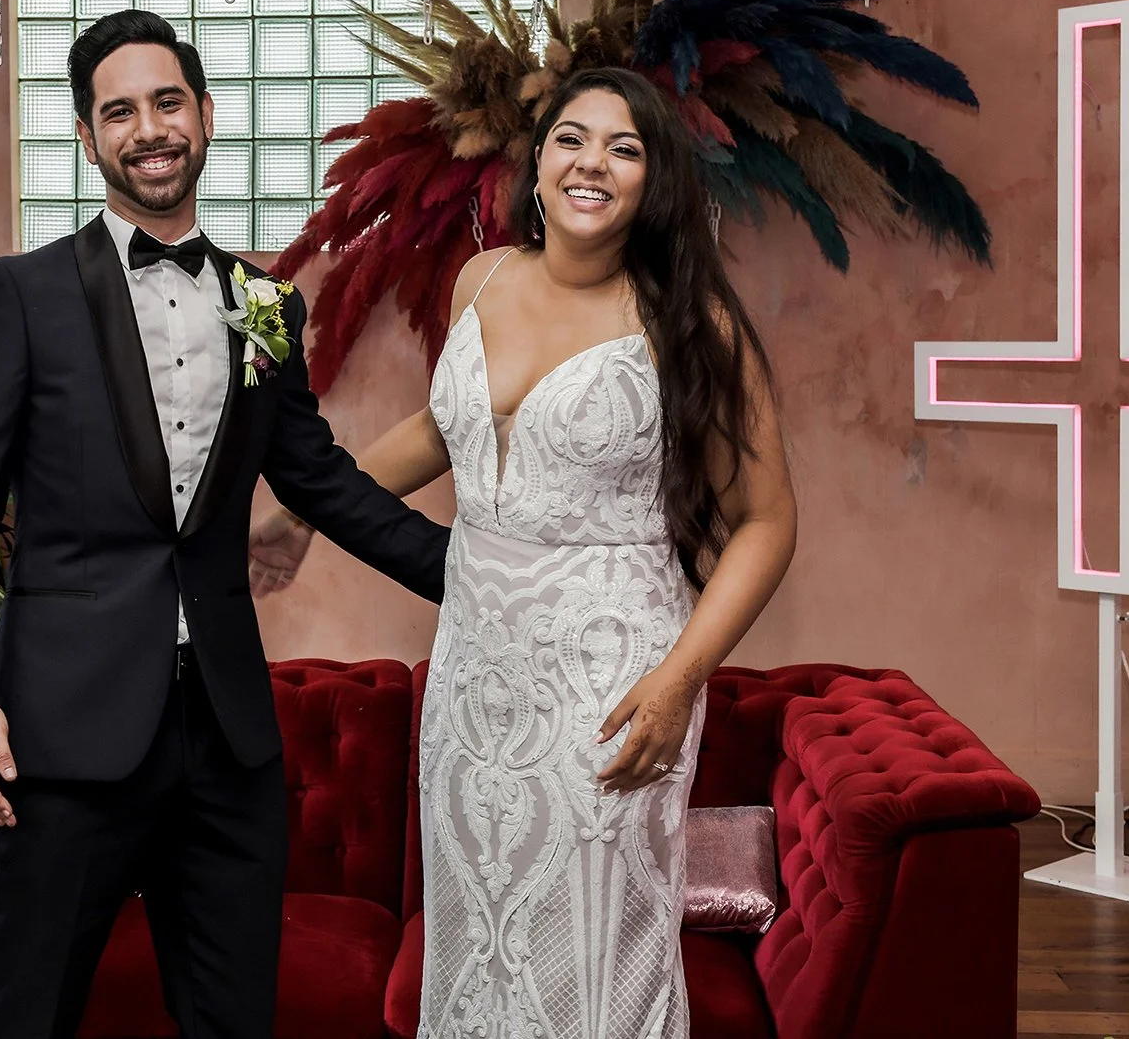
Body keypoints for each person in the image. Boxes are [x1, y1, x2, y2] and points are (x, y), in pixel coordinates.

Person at [0, 8, 451, 1039]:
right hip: (60, 734)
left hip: (226, 739)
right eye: (118, 111)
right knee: (25, 1015)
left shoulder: (265, 303)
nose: (147, 128)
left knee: (230, 1019)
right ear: (87, 136)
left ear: (204, 115)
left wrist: (475, 571)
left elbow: (319, 478)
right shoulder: (21, 295)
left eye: (166, 102)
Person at [248, 67, 797, 1037]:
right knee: (478, 936)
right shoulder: (481, 277)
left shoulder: (688, 318)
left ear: (651, 181)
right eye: (570, 140)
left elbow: (764, 519)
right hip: (473, 677)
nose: (592, 163)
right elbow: (440, 426)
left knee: (594, 956)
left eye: (623, 148)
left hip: (612, 680)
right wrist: (302, 509)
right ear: (535, 165)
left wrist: (679, 679)